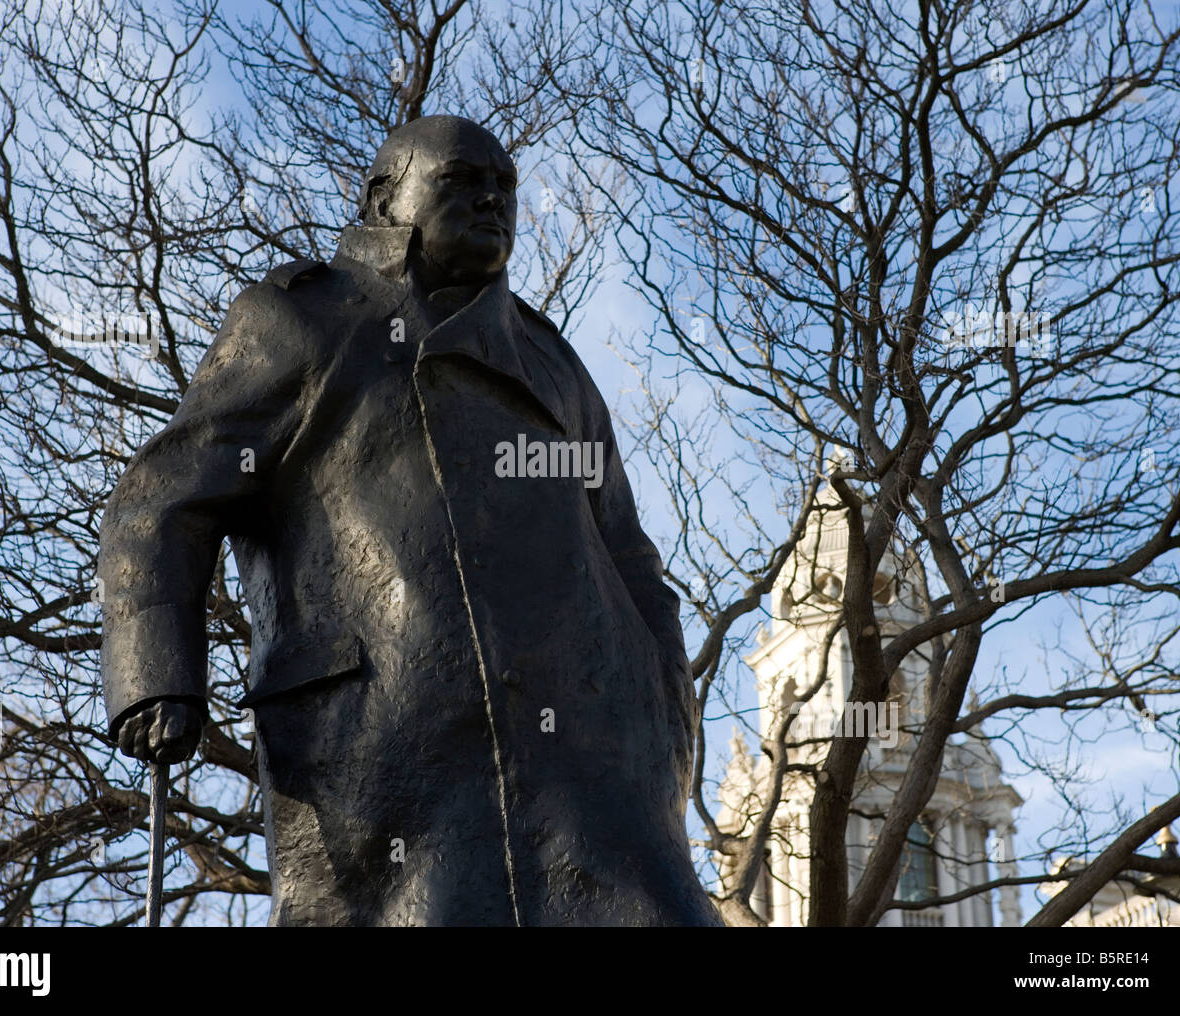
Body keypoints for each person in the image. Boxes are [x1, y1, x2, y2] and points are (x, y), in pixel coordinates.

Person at [100, 115, 722, 926]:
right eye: (464, 180)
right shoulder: (304, 320)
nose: (493, 200)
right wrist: (156, 673)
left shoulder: (551, 360)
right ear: (384, 197)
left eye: (505, 186)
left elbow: (630, 554)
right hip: (391, 743)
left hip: (598, 757)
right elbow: (162, 499)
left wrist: (667, 710)